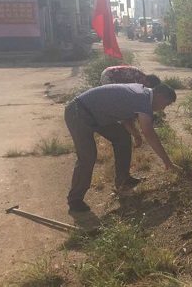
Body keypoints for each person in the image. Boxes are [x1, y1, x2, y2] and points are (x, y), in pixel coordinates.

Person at [64, 83, 179, 213]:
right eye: (166, 104)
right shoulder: (143, 99)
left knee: (122, 137)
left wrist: (135, 134)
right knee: (87, 157)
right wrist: (167, 162)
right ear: (160, 96)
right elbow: (149, 133)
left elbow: (125, 117)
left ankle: (123, 180)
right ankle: (75, 200)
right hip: (79, 113)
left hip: (97, 115)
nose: (163, 108)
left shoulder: (143, 94)